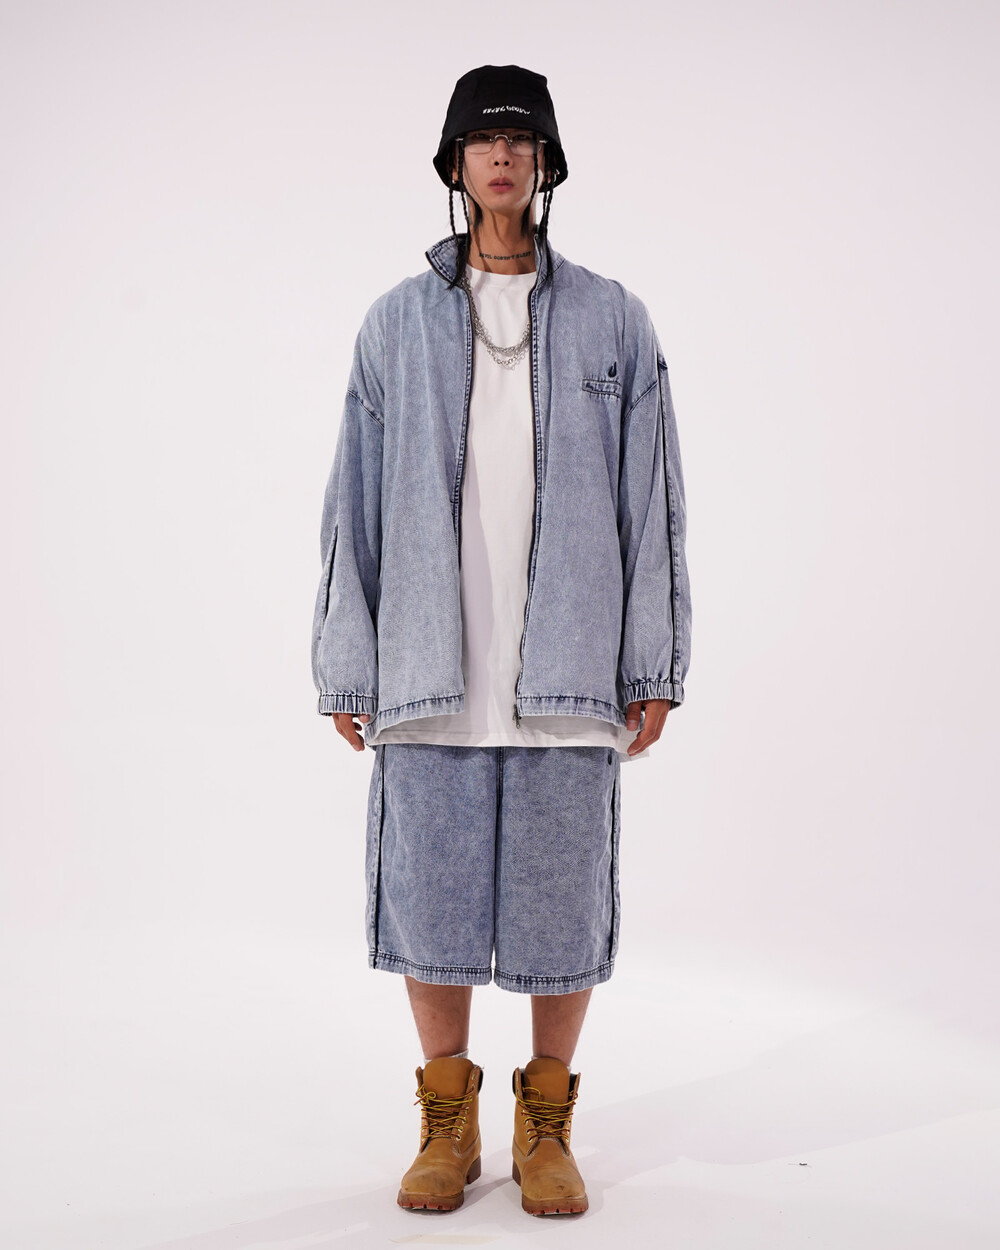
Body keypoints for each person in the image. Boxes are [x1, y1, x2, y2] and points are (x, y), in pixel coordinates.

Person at [311, 64, 692, 1217]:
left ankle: (547, 1124)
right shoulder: (394, 322)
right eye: (483, 138)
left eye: (521, 139)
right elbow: (352, 500)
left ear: (546, 163)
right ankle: (446, 1120)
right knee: (428, 897)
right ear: (454, 162)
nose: (502, 155)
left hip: (569, 666)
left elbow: (652, 501)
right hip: (430, 660)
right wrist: (348, 658)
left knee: (559, 905)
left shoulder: (613, 318)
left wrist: (651, 661)